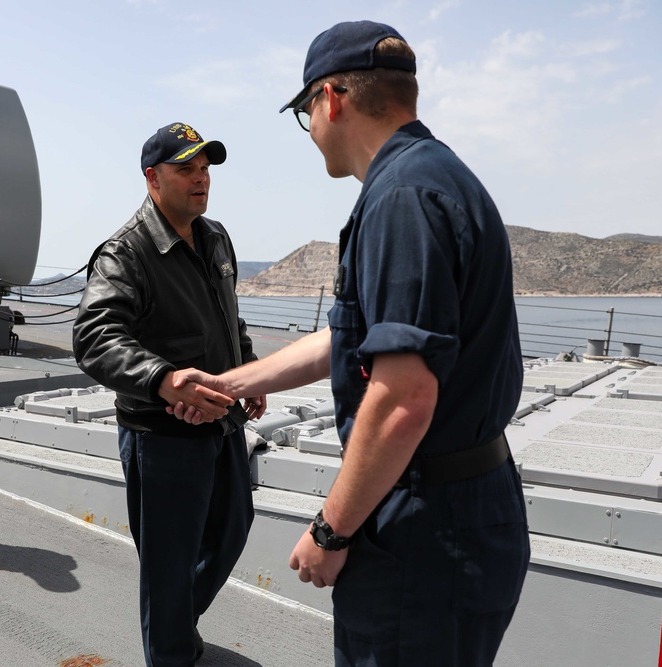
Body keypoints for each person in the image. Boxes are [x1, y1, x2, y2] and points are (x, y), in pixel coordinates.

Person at [168, 21, 530, 667]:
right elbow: (348, 336)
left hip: (426, 529)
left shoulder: (401, 199)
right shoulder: (435, 177)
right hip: (464, 509)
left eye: (306, 112)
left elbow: (402, 399)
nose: (310, 131)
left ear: (330, 99)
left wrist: (330, 528)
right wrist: (232, 383)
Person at [72, 123, 266, 666]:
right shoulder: (126, 252)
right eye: (187, 169)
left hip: (223, 423)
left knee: (231, 532)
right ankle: (171, 648)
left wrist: (247, 368)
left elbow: (228, 315)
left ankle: (175, 621)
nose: (201, 179)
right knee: (168, 565)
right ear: (153, 178)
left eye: (205, 169)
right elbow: (94, 336)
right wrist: (163, 378)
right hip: (163, 437)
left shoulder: (215, 237)